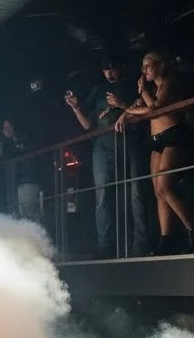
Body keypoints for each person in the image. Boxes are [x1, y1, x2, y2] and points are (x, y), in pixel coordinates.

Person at [64, 57, 150, 257]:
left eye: (113, 68)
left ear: (120, 67)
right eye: (106, 69)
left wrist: (121, 106)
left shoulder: (132, 84)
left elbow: (145, 107)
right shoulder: (98, 89)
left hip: (131, 141)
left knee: (137, 192)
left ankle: (141, 244)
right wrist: (76, 107)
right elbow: (87, 125)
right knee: (102, 195)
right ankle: (106, 245)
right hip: (103, 145)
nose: (109, 73)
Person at [114, 52, 194, 254]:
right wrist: (125, 113)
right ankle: (166, 239)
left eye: (148, 66)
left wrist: (132, 102)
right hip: (156, 139)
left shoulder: (169, 83)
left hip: (173, 135)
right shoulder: (153, 90)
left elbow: (157, 109)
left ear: (160, 65)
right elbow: (143, 109)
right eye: (142, 67)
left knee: (166, 187)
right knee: (158, 192)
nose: (145, 71)